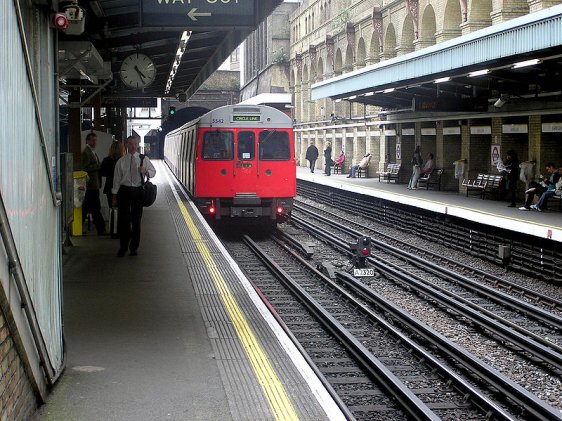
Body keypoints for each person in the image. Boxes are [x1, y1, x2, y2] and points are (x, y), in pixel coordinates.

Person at [112, 136, 156, 257]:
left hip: (138, 191)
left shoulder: (143, 159)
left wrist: (145, 172)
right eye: (130, 144)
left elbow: (153, 172)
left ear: (138, 145)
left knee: (136, 220)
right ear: (126, 145)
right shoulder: (121, 161)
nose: (133, 146)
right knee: (124, 221)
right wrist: (114, 196)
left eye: (135, 144)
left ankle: (134, 247)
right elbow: (116, 180)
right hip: (124, 191)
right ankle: (123, 247)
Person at [81, 132, 106, 235]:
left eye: (95, 140)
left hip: (93, 185)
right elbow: (84, 168)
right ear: (87, 141)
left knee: (86, 208)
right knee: (95, 208)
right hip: (90, 185)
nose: (95, 142)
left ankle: (77, 228)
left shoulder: (92, 152)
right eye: (93, 140)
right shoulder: (86, 152)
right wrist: (98, 166)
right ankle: (101, 229)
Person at [100, 141, 125, 208]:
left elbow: (102, 172)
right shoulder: (123, 160)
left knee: (111, 207)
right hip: (122, 186)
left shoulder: (106, 160)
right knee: (122, 208)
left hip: (109, 186)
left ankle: (112, 218)